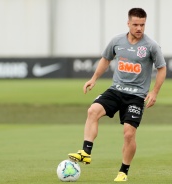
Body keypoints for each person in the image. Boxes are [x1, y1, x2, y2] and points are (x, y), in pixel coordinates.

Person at [68, 7, 166, 182]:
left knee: (129, 134)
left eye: (142, 25)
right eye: (135, 24)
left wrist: (154, 92)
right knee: (92, 111)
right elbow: (106, 58)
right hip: (116, 90)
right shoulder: (117, 41)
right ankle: (86, 152)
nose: (139, 28)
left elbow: (162, 68)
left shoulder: (151, 46)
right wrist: (94, 78)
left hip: (136, 96)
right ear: (128, 23)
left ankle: (123, 171)